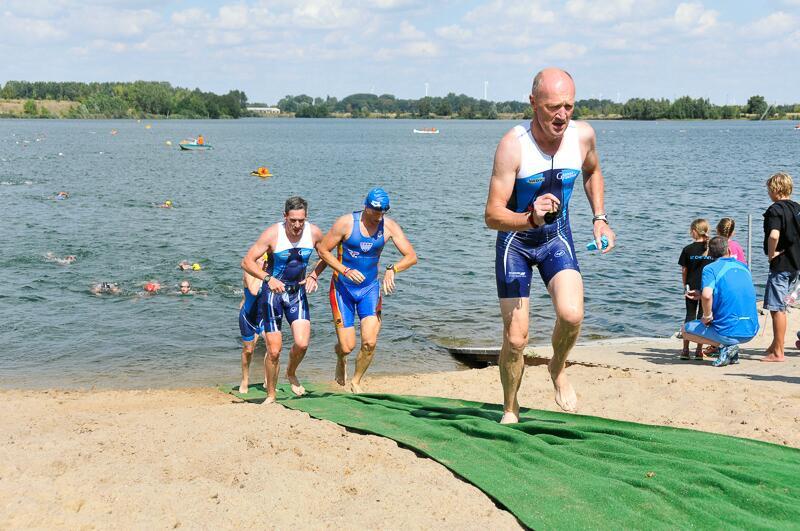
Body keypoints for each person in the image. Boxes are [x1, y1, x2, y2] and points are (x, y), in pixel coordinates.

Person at [484, 68, 616, 423]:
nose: (562, 115)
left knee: (572, 315)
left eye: (568, 106)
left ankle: (557, 367)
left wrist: (599, 217)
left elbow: (592, 171)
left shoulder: (583, 136)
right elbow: (492, 215)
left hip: (556, 238)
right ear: (533, 103)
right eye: (553, 107)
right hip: (516, 244)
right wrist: (530, 218)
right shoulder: (513, 145)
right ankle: (510, 406)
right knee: (516, 339)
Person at [317, 188, 417, 393]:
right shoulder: (346, 223)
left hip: (370, 289)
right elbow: (323, 250)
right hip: (342, 289)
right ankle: (341, 357)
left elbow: (411, 256)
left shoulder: (389, 226)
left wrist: (393, 269)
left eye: (383, 212)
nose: (379, 216)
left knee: (370, 343)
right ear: (366, 207)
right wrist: (344, 270)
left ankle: (356, 381)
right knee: (347, 346)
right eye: (376, 211)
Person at [241, 197, 327, 403]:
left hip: (297, 293)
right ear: (285, 216)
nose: (297, 225)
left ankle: (290, 372)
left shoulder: (314, 232)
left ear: (306, 217)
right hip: (273, 295)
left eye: (301, 220)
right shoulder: (273, 234)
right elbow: (247, 262)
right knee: (274, 351)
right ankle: (271, 394)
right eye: (293, 220)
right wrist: (268, 279)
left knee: (302, 344)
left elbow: (327, 256)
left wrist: (314, 275)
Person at [682, 237, 759, 367]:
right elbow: (732, 291)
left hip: (728, 332)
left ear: (710, 254)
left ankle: (725, 347)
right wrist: (700, 294)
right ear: (728, 250)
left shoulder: (710, 268)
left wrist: (707, 316)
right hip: (751, 329)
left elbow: (707, 295)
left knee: (685, 330)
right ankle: (732, 353)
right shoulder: (744, 267)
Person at [762, 171, 800, 362]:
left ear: (775, 190)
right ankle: (775, 345)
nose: (768, 193)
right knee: (782, 305)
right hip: (796, 263)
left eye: (769, 189)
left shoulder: (775, 210)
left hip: (781, 265)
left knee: (777, 308)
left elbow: (774, 235)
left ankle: (778, 352)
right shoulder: (797, 208)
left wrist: (771, 255)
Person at [678, 219, 714, 360]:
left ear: (694, 231)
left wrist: (685, 286)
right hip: (707, 288)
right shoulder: (711, 249)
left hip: (691, 288)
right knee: (703, 317)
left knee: (689, 316)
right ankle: (699, 350)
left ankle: (685, 350)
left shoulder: (688, 249)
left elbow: (684, 270)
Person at [238, 256, 266, 393]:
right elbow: (254, 290)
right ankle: (245, 380)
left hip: (264, 316)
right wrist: (260, 271)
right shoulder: (249, 272)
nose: (265, 262)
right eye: (262, 259)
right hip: (248, 316)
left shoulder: (271, 271)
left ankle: (268, 380)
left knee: (273, 348)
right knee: (248, 350)